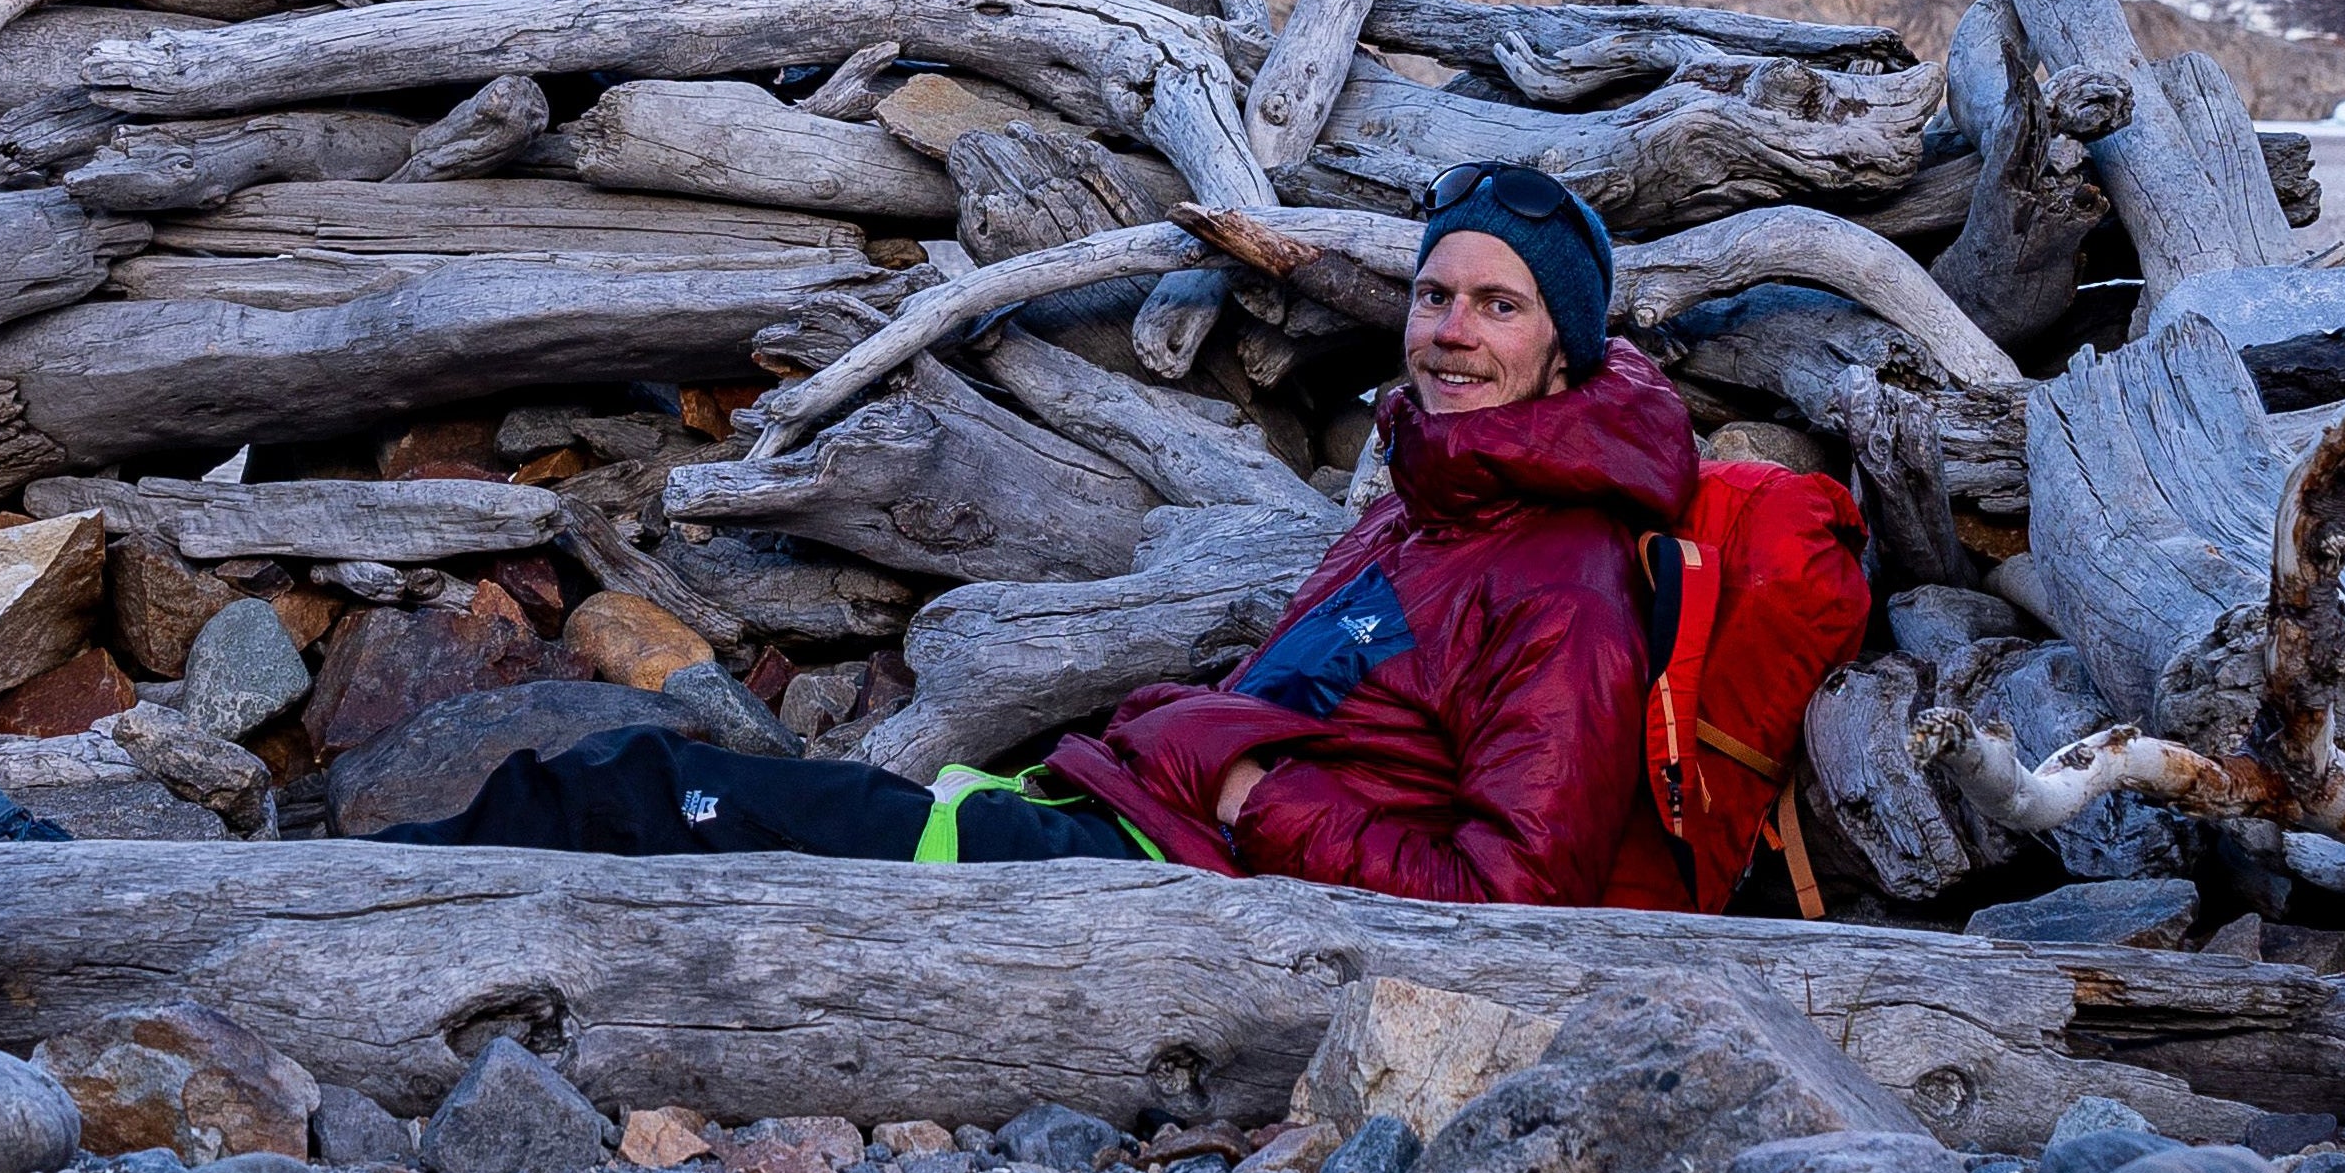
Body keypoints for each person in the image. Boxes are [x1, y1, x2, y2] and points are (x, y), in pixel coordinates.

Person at [383, 161, 1698, 906]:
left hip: (1162, 890)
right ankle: (357, 898)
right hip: (1118, 828)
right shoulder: (1426, 509)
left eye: (1498, 306)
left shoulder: (1563, 582)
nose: (1451, 332)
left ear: (1565, 350)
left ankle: (349, 915)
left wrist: (1251, 793)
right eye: (1433, 295)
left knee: (650, 796)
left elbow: (1506, 903)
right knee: (648, 789)